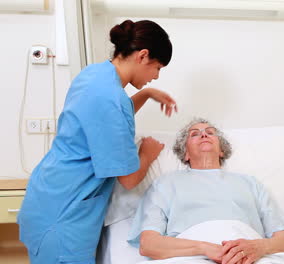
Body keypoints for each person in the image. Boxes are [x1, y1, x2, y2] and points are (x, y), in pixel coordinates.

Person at [18, 19, 176, 264]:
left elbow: (108, 121)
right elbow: (129, 179)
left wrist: (145, 94)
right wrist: (147, 152)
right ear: (143, 56)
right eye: (157, 68)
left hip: (49, 194)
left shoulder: (96, 74)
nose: (155, 77)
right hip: (63, 216)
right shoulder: (109, 98)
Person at [128, 118, 284, 264]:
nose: (204, 134)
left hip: (247, 255)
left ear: (221, 150)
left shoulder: (250, 183)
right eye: (194, 134)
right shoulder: (165, 183)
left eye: (210, 132)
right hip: (190, 256)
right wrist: (205, 248)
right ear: (185, 153)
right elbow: (148, 244)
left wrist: (259, 247)